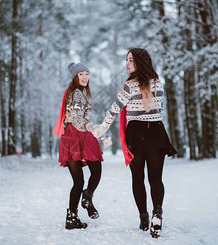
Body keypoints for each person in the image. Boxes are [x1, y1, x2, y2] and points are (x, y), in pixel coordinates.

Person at [90, 48, 177, 238]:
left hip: (136, 135)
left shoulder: (130, 86)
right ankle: (157, 214)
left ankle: (144, 217)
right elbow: (158, 110)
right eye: (126, 60)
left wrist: (101, 128)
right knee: (156, 179)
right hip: (156, 133)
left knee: (138, 178)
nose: (127, 64)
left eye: (131, 60)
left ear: (140, 62)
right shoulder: (158, 84)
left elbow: (115, 109)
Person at [53, 62, 111, 230]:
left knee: (78, 182)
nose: (85, 77)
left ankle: (71, 218)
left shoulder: (72, 93)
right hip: (79, 136)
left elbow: (73, 118)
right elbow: (79, 120)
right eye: (81, 74)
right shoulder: (77, 94)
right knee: (96, 170)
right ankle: (87, 197)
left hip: (69, 137)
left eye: (87, 73)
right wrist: (96, 129)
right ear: (75, 77)